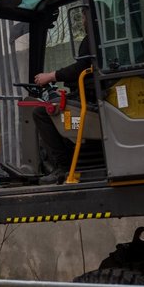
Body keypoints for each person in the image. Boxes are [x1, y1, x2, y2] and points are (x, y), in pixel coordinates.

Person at [33, 35, 91, 184]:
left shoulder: (93, 35)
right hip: (91, 93)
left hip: (92, 98)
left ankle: (63, 168)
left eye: (84, 14)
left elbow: (81, 68)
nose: (84, 18)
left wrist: (51, 76)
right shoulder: (104, 31)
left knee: (42, 113)